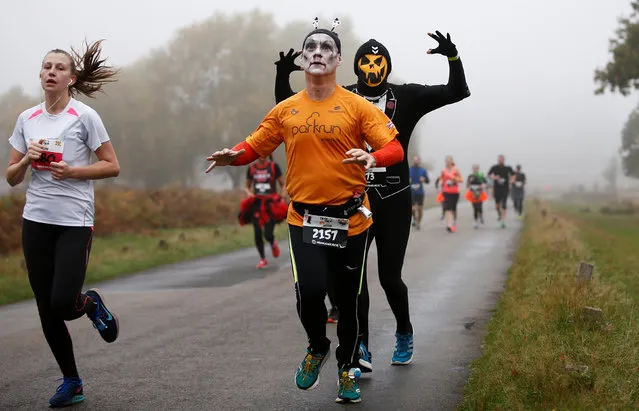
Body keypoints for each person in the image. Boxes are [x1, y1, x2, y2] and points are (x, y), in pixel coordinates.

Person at [206, 24, 403, 404]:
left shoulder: (357, 106)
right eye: (310, 46)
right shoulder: (286, 110)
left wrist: (372, 156)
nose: (317, 51)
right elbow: (255, 145)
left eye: (326, 47)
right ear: (303, 57)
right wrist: (234, 156)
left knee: (348, 302)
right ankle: (317, 346)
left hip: (351, 219)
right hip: (304, 219)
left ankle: (348, 368)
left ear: (339, 59)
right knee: (309, 292)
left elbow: (392, 147)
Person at [274, 28, 470, 370]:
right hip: (351, 200)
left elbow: (456, 92)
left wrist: (453, 57)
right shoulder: (342, 96)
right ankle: (359, 346)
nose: (372, 68)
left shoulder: (406, 96)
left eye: (379, 63)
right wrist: (282, 74)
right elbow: (285, 108)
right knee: (353, 282)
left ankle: (404, 331)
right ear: (356, 66)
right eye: (365, 62)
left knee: (390, 277)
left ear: (387, 67)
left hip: (394, 199)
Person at [4, 40, 121, 408]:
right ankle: (72, 381)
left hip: (74, 221)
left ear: (71, 78)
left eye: (58, 67)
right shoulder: (27, 119)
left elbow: (111, 165)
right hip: (35, 220)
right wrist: (26, 162)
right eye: (46, 66)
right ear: (40, 75)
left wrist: (73, 171)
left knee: (62, 302)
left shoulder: (84, 117)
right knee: (45, 307)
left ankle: (91, 305)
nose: (51, 71)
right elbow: (10, 177)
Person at [243, 155, 286, 268]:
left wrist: (282, 196)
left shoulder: (273, 166)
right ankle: (263, 259)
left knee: (267, 234)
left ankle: (272, 242)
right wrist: (250, 194)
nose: (262, 156)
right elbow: (247, 186)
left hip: (270, 205)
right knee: (257, 232)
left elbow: (283, 184)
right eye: (260, 154)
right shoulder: (251, 168)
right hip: (257, 204)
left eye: (265, 154)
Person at [488, 155, 515, 228]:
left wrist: (511, 180)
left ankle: (503, 221)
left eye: (502, 159)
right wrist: (494, 177)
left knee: (504, 204)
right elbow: (488, 175)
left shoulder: (508, 168)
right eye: (499, 159)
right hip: (497, 188)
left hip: (505, 188)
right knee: (497, 205)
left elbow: (513, 175)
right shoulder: (494, 167)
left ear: (504, 160)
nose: (501, 161)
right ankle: (499, 214)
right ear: (498, 160)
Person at [439, 156, 463, 232]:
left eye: (449, 161)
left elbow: (461, 179)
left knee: (453, 209)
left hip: (455, 192)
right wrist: (440, 183)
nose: (448, 162)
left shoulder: (456, 170)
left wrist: (455, 179)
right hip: (446, 192)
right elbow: (441, 179)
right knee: (447, 208)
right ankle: (449, 224)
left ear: (452, 161)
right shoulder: (444, 171)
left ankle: (454, 221)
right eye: (446, 161)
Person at [409, 155, 429, 230]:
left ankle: (418, 222)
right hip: (412, 192)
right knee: (413, 209)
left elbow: (428, 180)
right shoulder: (409, 169)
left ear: (419, 161)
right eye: (414, 160)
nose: (415, 161)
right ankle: (414, 219)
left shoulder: (422, 170)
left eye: (417, 160)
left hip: (420, 192)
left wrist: (424, 179)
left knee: (420, 209)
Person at [465, 164, 488, 229]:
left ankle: (481, 215)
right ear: (472, 169)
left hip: (479, 193)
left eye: (476, 168)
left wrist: (482, 186)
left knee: (479, 207)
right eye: (474, 168)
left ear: (478, 169)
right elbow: (467, 185)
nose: (475, 169)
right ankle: (475, 222)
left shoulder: (481, 175)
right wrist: (469, 186)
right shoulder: (470, 176)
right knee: (475, 208)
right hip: (472, 193)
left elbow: (486, 184)